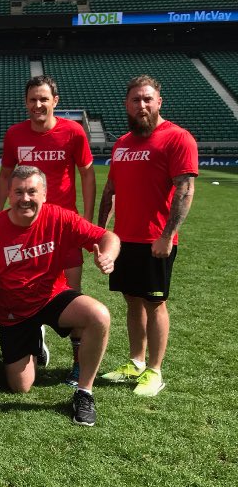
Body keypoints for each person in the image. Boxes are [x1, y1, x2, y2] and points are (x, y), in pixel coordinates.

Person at [0, 165, 120, 426]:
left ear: (44, 194)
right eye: (18, 192)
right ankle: (35, 341)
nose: (25, 198)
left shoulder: (59, 217)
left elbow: (108, 236)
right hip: (14, 312)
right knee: (21, 387)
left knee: (99, 315)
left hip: (52, 297)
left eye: (32, 191)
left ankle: (84, 392)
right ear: (9, 195)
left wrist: (108, 255)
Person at [97, 74, 198, 398]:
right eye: (135, 100)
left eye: (147, 99)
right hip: (124, 240)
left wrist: (168, 235)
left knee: (156, 303)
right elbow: (110, 190)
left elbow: (185, 189)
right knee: (132, 300)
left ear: (158, 102)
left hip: (155, 242)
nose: (141, 105)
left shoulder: (177, 138)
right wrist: (102, 231)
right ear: (126, 104)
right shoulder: (122, 143)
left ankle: (154, 370)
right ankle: (136, 362)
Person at [0, 74, 96, 386]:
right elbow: (5, 175)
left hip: (63, 231)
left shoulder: (74, 132)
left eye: (43, 99)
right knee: (26, 290)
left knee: (72, 295)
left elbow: (88, 176)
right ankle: (32, 340)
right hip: (26, 231)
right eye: (32, 99)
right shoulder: (15, 134)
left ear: (55, 101)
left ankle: (78, 365)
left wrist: (88, 223)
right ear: (26, 103)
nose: (37, 105)